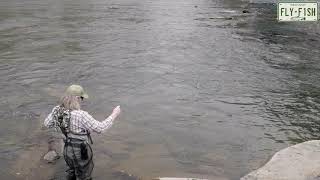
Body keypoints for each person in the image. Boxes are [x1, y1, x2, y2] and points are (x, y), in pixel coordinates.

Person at [44, 84, 121, 180]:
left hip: (67, 149)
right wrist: (114, 114)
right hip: (81, 151)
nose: (82, 101)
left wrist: (62, 125)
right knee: (84, 175)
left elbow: (47, 124)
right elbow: (101, 128)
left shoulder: (57, 110)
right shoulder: (81, 115)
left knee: (71, 172)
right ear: (77, 98)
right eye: (81, 98)